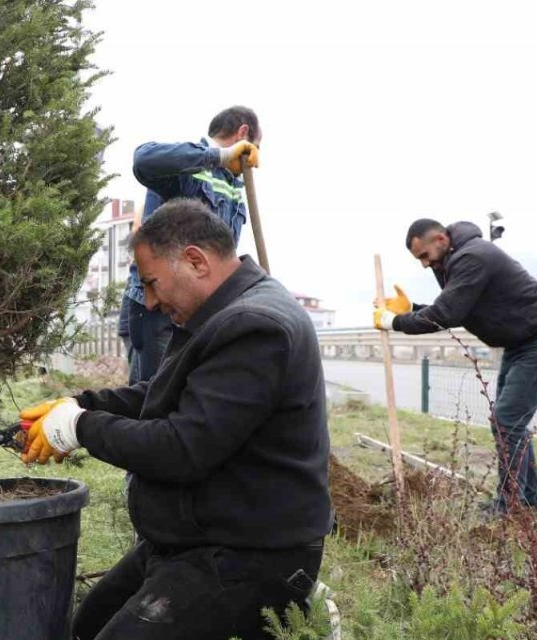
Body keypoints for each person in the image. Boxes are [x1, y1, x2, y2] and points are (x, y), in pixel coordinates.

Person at [21, 199, 332, 640]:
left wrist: (78, 428)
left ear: (195, 261)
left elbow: (182, 449)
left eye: (151, 283)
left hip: (249, 555)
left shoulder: (255, 327)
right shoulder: (219, 313)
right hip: (192, 540)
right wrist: (81, 403)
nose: (148, 302)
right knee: (84, 627)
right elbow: (163, 394)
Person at [374, 219, 537, 514]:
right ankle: (526, 502)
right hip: (522, 345)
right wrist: (411, 309)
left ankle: (512, 506)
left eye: (424, 256)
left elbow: (447, 314)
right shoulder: (452, 260)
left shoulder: (473, 257)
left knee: (507, 421)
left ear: (441, 239)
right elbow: (458, 305)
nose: (424, 265)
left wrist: (396, 322)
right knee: (507, 423)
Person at [120, 106, 261, 384]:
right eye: (255, 147)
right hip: (160, 307)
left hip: (200, 312)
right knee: (151, 396)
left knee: (180, 395)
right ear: (243, 134)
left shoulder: (234, 186)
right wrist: (220, 157)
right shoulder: (190, 165)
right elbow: (143, 158)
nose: (255, 159)